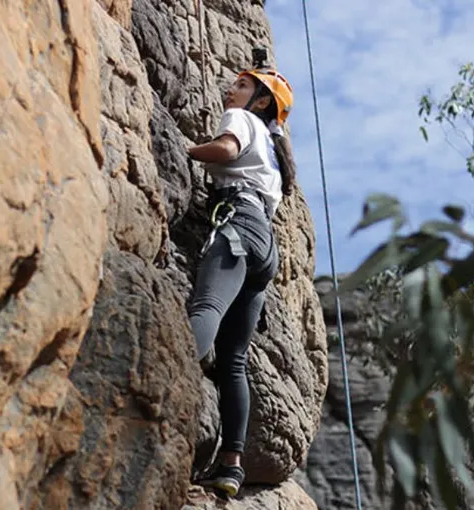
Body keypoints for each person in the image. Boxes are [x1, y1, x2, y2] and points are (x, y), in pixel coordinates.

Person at [187, 63, 296, 497]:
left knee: (206, 308)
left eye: (242, 85)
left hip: (237, 222)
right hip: (264, 245)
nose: (230, 89)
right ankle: (231, 464)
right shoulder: (275, 145)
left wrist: (189, 149)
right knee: (234, 359)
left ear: (261, 100)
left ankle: (175, 375)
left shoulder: (243, 119)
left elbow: (227, 151)